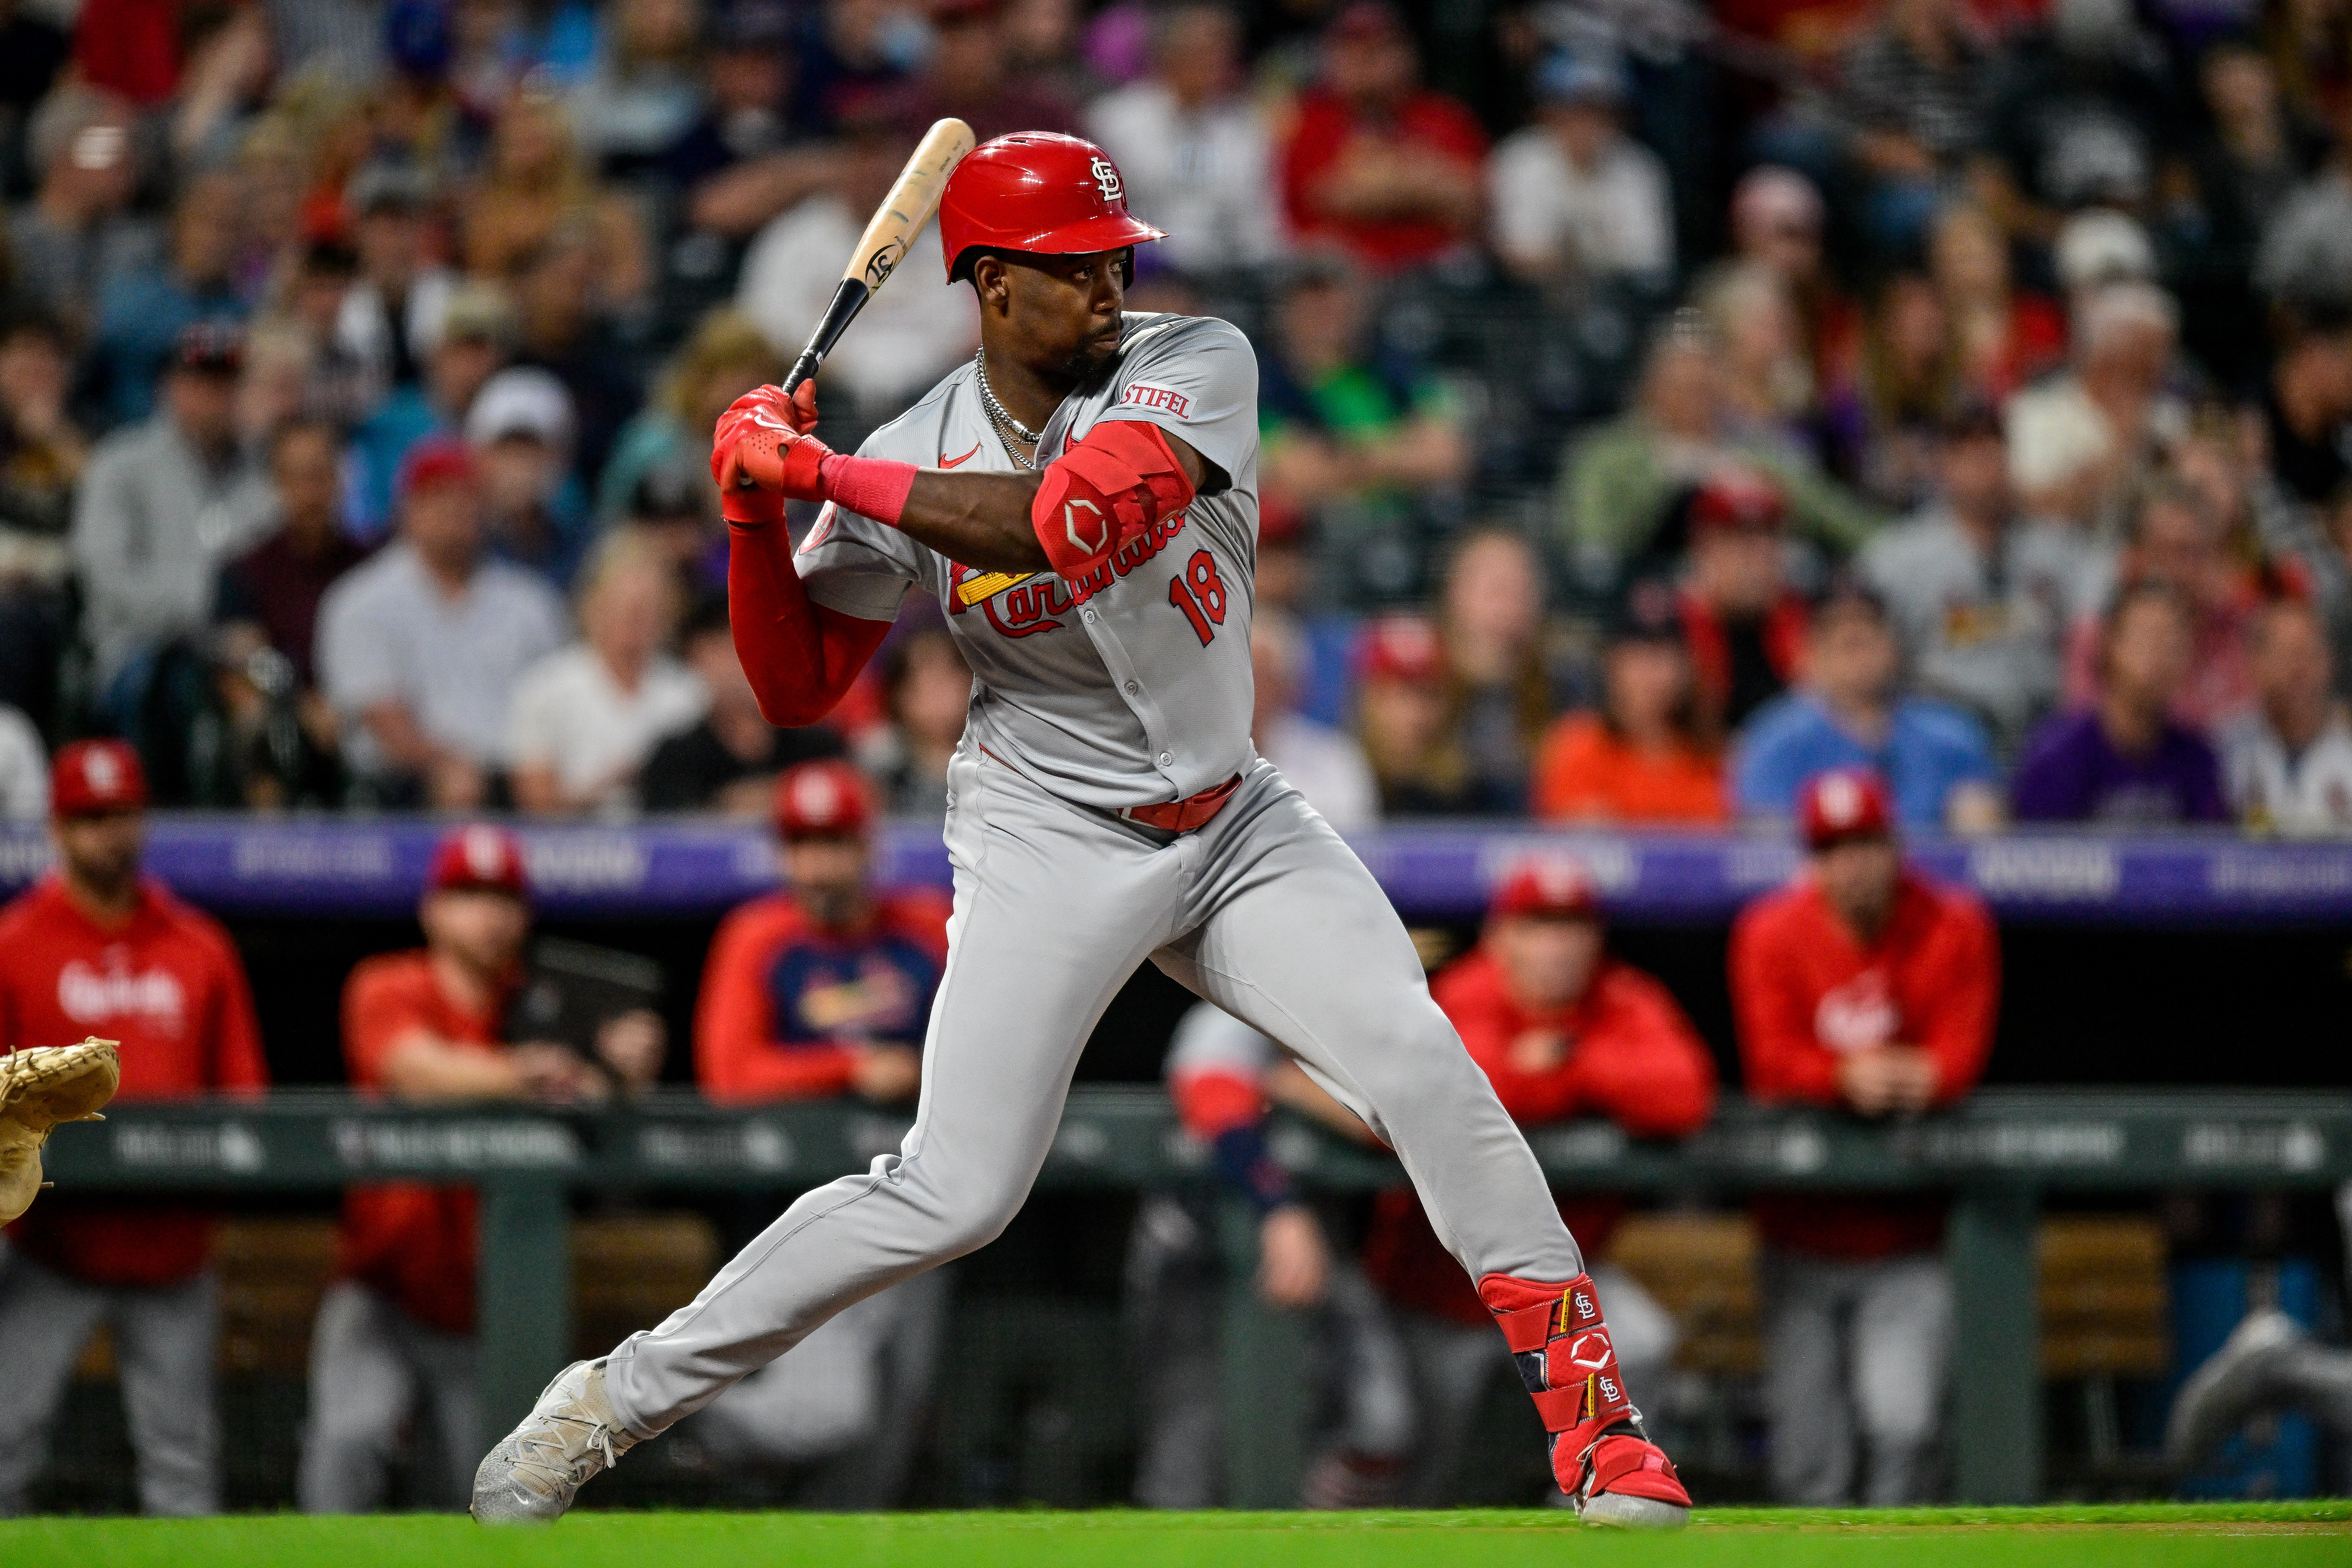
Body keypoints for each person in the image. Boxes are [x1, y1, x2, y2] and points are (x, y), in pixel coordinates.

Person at [475, 128, 1693, 1528]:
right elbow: (799, 680)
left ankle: (1597, 1434)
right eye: (1074, 271)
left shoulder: (1196, 361)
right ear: (990, 285)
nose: (1111, 289)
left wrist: (812, 476)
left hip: (1234, 817)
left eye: (1116, 261)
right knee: (954, 1188)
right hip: (1046, 825)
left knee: (1417, 1059)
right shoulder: (906, 444)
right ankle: (612, 1400)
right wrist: (753, 515)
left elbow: (1071, 521)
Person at [300, 824, 661, 1514]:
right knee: (348, 1443)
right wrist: (528, 1072)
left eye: (502, 897)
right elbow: (412, 1069)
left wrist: (625, 1067)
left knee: (487, 1492)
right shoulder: (388, 982)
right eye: (468, 894)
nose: (488, 914)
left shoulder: (547, 1002)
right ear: (432, 908)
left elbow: (608, 1103)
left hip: (494, 1301)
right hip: (385, 1284)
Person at [1365, 857, 1716, 1504]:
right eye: (1537, 925)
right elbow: (1420, 1097)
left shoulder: (1620, 997)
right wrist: (1555, 1079)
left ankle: (1598, 1511)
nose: (1557, 944)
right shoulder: (1460, 993)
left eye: (1571, 925)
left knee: (1641, 1342)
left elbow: (1682, 1094)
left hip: (1561, 1285)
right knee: (1421, 1466)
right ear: (1499, 935)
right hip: (1441, 1289)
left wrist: (1566, 1057)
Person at [0, 741, 269, 1516]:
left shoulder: (199, 944)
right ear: (57, 827)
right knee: (7, 1449)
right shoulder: (16, 941)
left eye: (121, 813)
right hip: (52, 1247)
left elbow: (243, 1099)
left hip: (173, 1250)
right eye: (89, 816)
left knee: (182, 1464)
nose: (108, 833)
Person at [1729, 767, 1998, 1505]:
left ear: (1895, 844)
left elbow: (1958, 1055)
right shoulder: (1769, 931)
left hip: (1906, 1236)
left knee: (1905, 1430)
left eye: (1866, 843)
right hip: (1799, 1233)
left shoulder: (1954, 922)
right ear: (1812, 859)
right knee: (1809, 1463)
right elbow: (1770, 1060)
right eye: (1832, 847)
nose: (1851, 864)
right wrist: (1840, 1078)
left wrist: (1930, 1076)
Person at [684, 760, 951, 1502]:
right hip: (804, 1209)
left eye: (836, 843)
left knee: (895, 1424)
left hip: (923, 1200)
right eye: (803, 844)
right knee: (835, 1411)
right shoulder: (761, 934)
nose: (820, 864)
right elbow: (729, 1075)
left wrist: (921, 1072)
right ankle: (676, 1429)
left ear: (868, 848)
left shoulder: (925, 926)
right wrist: (849, 1066)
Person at [1130, 999, 1418, 1509]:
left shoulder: (1365, 1020)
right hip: (1194, 1248)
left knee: (1382, 1423)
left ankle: (1320, 1546)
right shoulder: (1228, 1014)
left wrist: (1301, 1089)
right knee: (1190, 1443)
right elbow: (1216, 1103)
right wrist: (1279, 1207)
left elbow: (1423, 1128)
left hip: (1319, 1242)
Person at [316, 436, 569, 810]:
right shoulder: (360, 601)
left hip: (516, 781)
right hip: (403, 790)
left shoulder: (530, 601)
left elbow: (557, 703)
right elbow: (385, 722)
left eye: (466, 496)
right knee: (457, 788)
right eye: (437, 496)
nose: (453, 508)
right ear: (407, 508)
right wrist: (450, 767)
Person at [1859, 404, 2109, 757]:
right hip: (1941, 730)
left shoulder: (2060, 547)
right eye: (1968, 454)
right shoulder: (1897, 557)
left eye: (1993, 451)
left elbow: (2097, 624)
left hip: (2043, 725)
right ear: (1944, 465)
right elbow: (1872, 650)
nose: (1984, 467)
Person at [70, 323, 274, 714]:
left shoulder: (263, 474)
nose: (216, 397)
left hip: (246, 655)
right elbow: (107, 579)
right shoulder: (121, 464)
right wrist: (209, 615)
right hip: (138, 652)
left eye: (226, 384)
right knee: (186, 684)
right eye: (201, 383)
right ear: (169, 388)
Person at [1735, 584, 2003, 833]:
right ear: (1811, 655)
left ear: (1893, 648)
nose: (1859, 655)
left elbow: (1981, 845)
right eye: (1846, 644)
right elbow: (1767, 847)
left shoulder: (1951, 734)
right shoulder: (1773, 739)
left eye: (1869, 638)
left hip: (1930, 880)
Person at [509, 532, 708, 817]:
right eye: (624, 608)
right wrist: (608, 786)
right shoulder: (546, 687)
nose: (635, 621)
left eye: (647, 610)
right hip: (571, 850)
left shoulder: (689, 692)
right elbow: (535, 801)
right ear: (594, 606)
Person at [1278, 3, 1487, 274]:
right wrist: (1424, 178)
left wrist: (1375, 179)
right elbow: (1327, 196)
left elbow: (1469, 201)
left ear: (1408, 54)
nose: (1367, 60)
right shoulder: (1310, 118)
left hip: (1436, 272)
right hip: (1345, 275)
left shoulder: (1445, 116)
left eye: (1381, 48)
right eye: (1353, 48)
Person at [1083, 2, 1286, 276]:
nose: (1209, 64)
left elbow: (1257, 221)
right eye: (1197, 52)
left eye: (1219, 54)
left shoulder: (1242, 129)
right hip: (1140, 269)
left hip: (1224, 272)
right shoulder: (1115, 121)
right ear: (1167, 54)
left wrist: (1271, 271)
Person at [2012, 581, 2229, 825]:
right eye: (2147, 638)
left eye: (2174, 642)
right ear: (2111, 645)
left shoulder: (2197, 759)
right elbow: (2037, 856)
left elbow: (2213, 851)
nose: (2159, 655)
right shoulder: (2058, 757)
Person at [1532, 582, 1726, 825]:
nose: (1652, 672)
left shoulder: (1712, 757)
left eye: (1665, 655)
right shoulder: (1578, 747)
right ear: (1612, 663)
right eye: (1637, 656)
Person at [640, 593, 849, 816]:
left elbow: (860, 799)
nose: (744, 659)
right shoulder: (676, 758)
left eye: (759, 640)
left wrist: (772, 796)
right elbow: (670, 836)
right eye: (725, 646)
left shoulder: (820, 747)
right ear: (695, 660)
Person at [1487, 51, 1672, 289]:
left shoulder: (1640, 167)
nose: (1588, 122)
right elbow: (1522, 257)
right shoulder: (1520, 158)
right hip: (1532, 304)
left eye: (1601, 109)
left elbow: (1650, 266)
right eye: (1575, 107)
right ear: (1547, 111)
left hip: (1621, 304)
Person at [1676, 470, 1810, 733]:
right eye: (1737, 540)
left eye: (1766, 538)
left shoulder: (1811, 624)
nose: (1754, 557)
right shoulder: (1670, 630)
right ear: (1702, 548)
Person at [2222, 596, 2352, 835]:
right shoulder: (2224, 748)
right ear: (2256, 663)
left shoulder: (2347, 742)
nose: (2298, 669)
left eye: (2308, 653)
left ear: (2330, 662)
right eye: (2284, 653)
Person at [1251, 607, 1378, 833]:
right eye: (1240, 675)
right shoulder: (1188, 760)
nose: (1249, 689)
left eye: (1262, 677)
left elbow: (1357, 847)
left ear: (1290, 687)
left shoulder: (1334, 760)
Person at [1352, 613, 1492, 817]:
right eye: (1399, 695)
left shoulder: (1475, 797)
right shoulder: (1336, 779)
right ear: (1368, 702)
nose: (1415, 715)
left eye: (1429, 695)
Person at [857, 624, 974, 821]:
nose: (940, 696)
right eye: (925, 684)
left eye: (948, 680)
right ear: (899, 695)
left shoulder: (998, 759)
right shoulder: (877, 764)